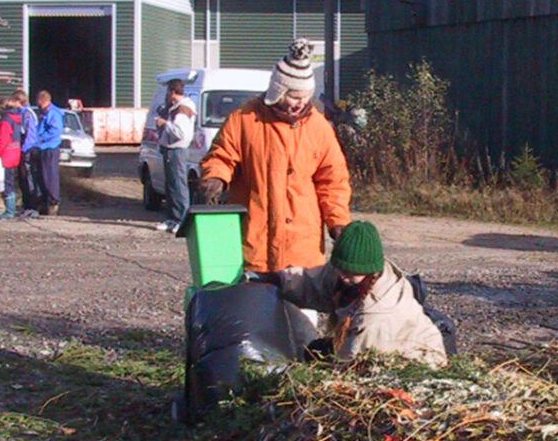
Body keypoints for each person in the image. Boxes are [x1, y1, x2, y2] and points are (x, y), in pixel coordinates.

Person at [198, 38, 351, 272]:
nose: (300, 104)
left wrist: (338, 222)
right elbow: (221, 155)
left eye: (305, 97)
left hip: (302, 251)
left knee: (301, 310)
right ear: (278, 91)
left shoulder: (319, 128)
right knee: (254, 308)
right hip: (254, 244)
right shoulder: (244, 119)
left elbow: (333, 181)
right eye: (293, 97)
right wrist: (215, 178)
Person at [274, 221, 448, 369]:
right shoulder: (350, 273)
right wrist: (278, 278)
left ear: (368, 269)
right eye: (340, 269)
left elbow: (353, 364)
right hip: (371, 345)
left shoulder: (377, 317)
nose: (342, 276)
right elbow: (315, 283)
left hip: (410, 362)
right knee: (316, 350)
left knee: (319, 359)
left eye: (349, 273)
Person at [154, 78, 196, 232]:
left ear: (172, 92)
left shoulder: (183, 109)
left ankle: (182, 220)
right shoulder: (174, 107)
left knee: (179, 185)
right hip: (169, 149)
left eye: (168, 92)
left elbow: (180, 132)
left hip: (178, 150)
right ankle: (171, 218)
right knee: (170, 186)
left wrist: (164, 124)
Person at [0, 96, 23, 219]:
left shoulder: (5, 121)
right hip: (15, 152)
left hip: (5, 155)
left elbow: (1, 140)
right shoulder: (17, 119)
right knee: (10, 181)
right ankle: (11, 208)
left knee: (5, 183)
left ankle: (9, 210)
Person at [34, 90, 64, 215]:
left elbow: (55, 131)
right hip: (42, 148)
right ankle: (43, 202)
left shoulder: (54, 114)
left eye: (39, 104)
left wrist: (40, 138)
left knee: (50, 177)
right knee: (41, 177)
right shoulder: (43, 112)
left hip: (50, 148)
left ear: (44, 101)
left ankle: (53, 203)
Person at [12, 88, 40, 215]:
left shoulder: (28, 114)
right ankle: (26, 204)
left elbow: (31, 134)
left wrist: (24, 150)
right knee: (23, 179)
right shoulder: (21, 113)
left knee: (29, 178)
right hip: (23, 147)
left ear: (19, 101)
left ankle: (32, 206)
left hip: (28, 149)